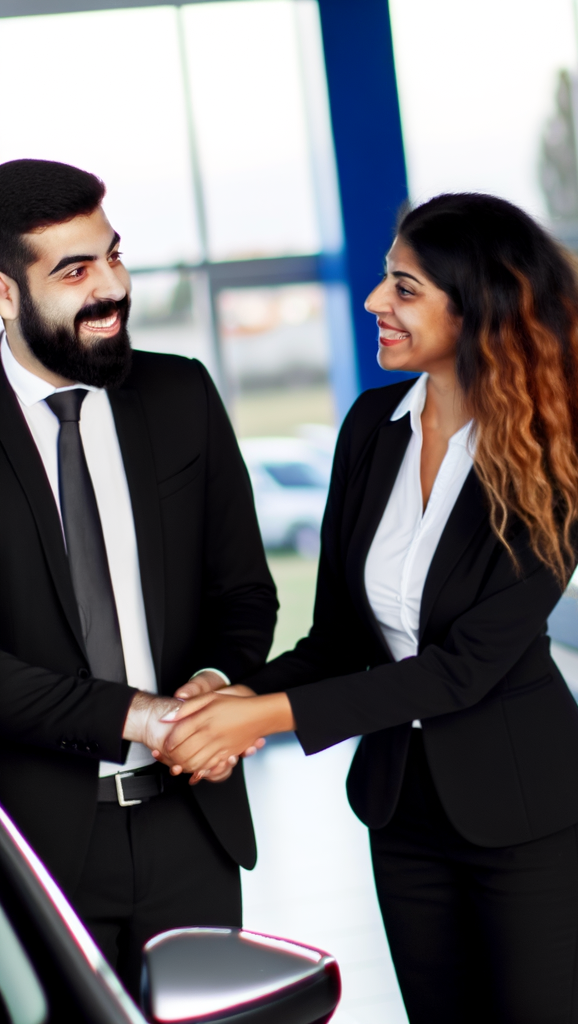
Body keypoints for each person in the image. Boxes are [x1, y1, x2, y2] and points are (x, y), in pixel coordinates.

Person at [163, 193, 578, 1023]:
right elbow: (339, 639)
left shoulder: (555, 461)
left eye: (404, 288)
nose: (374, 303)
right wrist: (231, 696)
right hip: (404, 812)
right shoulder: (370, 428)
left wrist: (263, 721)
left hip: (526, 813)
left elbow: (463, 670)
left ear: (479, 309)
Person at [0, 158, 277, 996]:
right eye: (75, 271)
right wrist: (140, 718)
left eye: (113, 257)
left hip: (191, 830)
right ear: (4, 293)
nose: (111, 288)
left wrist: (213, 687)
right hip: (31, 850)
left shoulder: (179, 395)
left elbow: (245, 593)